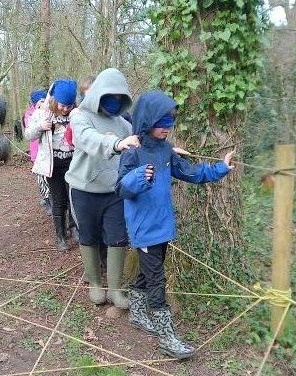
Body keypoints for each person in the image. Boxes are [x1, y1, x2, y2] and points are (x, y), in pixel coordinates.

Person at [116, 90, 235, 359]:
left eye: (170, 122)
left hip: (163, 225)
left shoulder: (166, 150)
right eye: (162, 123)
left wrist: (221, 168)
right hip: (144, 228)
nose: (167, 128)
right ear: (147, 121)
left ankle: (137, 313)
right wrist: (139, 177)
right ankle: (167, 337)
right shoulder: (133, 152)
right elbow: (121, 188)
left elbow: (191, 172)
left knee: (150, 271)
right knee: (157, 279)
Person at [65, 68, 140, 308]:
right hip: (84, 189)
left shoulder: (123, 124)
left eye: (119, 98)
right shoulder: (80, 116)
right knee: (89, 235)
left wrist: (166, 151)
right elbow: (87, 139)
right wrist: (116, 144)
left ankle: (116, 290)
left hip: (114, 191)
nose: (114, 102)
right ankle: (96, 284)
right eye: (110, 96)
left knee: (117, 238)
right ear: (98, 93)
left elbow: (141, 144)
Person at [25, 79, 78, 251]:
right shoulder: (43, 113)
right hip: (53, 166)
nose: (65, 109)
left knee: (72, 198)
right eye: (62, 105)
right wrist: (40, 127)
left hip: (73, 164)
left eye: (69, 106)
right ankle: (60, 235)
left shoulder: (76, 113)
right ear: (55, 101)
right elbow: (29, 134)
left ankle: (74, 228)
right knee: (59, 200)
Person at [22, 89, 51, 215]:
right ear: (34, 103)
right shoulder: (30, 114)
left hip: (48, 152)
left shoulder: (49, 112)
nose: (42, 104)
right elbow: (29, 131)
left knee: (49, 177)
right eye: (40, 101)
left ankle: (51, 197)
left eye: (44, 101)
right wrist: (40, 124)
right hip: (36, 152)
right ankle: (46, 198)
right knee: (41, 177)